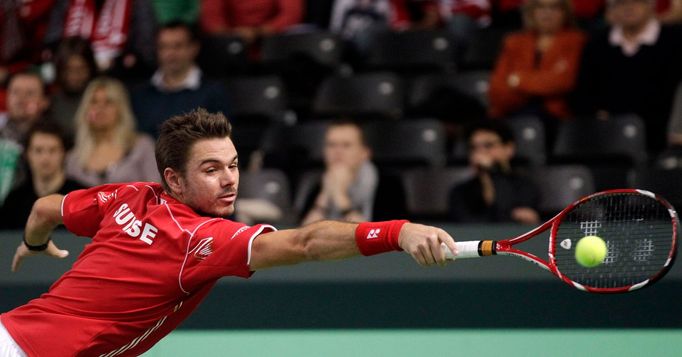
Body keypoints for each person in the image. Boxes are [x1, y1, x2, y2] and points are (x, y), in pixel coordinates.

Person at [0, 109, 457, 356]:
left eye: (234, 165)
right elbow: (306, 243)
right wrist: (398, 231)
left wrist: (35, 244)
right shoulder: (204, 240)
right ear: (174, 179)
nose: (230, 180)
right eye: (212, 169)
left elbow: (44, 208)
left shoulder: (130, 194)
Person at [571, 0, 682, 154]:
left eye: (636, 1)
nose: (629, 7)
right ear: (611, 9)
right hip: (606, 135)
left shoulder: (675, 41)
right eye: (621, 2)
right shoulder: (597, 43)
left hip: (663, 135)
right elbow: (582, 93)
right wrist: (597, 114)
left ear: (651, 5)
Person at [488, 0, 586, 137]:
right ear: (531, 12)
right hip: (512, 109)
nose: (547, 13)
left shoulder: (577, 41)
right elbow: (496, 89)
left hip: (557, 116)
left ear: (565, 13)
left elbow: (564, 81)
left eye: (555, 7)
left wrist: (518, 80)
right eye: (541, 7)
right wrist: (541, 83)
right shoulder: (514, 42)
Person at [131, 21, 230, 138]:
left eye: (177, 46)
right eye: (164, 47)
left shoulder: (213, 93)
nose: (170, 53)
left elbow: (222, 139)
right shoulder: (141, 95)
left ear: (194, 48)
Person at [65, 77, 160, 187]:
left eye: (108, 102)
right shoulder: (73, 159)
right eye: (94, 102)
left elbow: (157, 192)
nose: (100, 108)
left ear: (121, 109)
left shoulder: (142, 147)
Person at [448, 120, 541, 224]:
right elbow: (468, 226)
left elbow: (502, 217)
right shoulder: (460, 191)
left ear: (508, 148)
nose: (480, 152)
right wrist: (484, 175)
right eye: (473, 147)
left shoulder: (525, 186)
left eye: (488, 145)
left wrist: (490, 172)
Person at [0, 121, 82, 229]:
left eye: (52, 150)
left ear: (63, 153)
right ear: (28, 154)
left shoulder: (80, 198)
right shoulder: (14, 202)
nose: (45, 158)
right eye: (38, 150)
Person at [0, 71, 51, 203]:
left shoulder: (56, 138)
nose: (21, 99)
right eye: (15, 92)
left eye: (30, 93)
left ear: (45, 101)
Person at [49, 37, 99, 137]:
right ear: (59, 69)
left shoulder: (103, 98)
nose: (74, 76)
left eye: (81, 69)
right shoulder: (50, 103)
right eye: (68, 69)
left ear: (91, 68)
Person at [200, 0, 304, 46]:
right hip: (229, 46)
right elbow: (211, 18)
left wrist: (257, 32)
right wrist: (232, 35)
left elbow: (291, 13)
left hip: (276, 43)